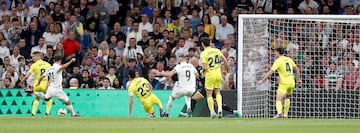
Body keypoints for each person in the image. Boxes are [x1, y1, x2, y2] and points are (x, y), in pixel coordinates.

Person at [259, 47, 301, 118]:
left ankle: (279, 113)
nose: (275, 53)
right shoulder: (289, 59)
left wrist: (263, 80)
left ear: (278, 52)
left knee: (278, 99)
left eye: (275, 52)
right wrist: (299, 79)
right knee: (287, 97)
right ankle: (285, 115)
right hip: (292, 82)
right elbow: (297, 69)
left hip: (284, 83)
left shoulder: (278, 61)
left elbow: (270, 72)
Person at [200, 37, 228, 118]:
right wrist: (226, 69)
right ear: (210, 43)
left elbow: (204, 67)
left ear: (202, 44)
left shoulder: (203, 53)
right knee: (218, 93)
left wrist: (202, 72)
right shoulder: (216, 50)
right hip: (218, 74)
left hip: (210, 75)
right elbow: (225, 60)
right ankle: (219, 108)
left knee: (209, 94)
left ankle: (212, 112)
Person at [20, 51, 52, 116]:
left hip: (37, 85)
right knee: (49, 98)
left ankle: (33, 113)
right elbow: (51, 76)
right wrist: (49, 84)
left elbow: (27, 75)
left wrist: (21, 82)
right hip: (45, 85)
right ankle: (47, 113)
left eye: (33, 57)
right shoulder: (48, 64)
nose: (32, 58)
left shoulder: (34, 65)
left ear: (38, 56)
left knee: (37, 98)